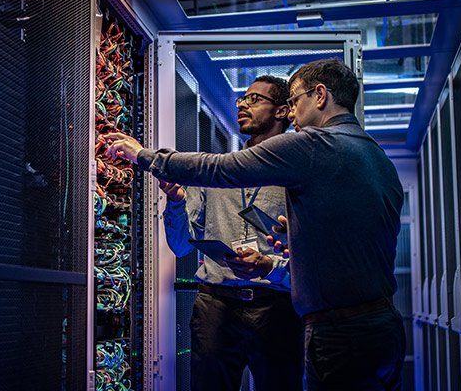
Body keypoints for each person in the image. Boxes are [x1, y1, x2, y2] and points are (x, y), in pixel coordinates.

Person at [105, 59, 405, 390]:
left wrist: (144, 156)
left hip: (329, 326)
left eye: (295, 101)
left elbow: (221, 170)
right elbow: (351, 239)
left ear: (320, 96)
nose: (293, 114)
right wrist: (294, 243)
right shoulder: (376, 156)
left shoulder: (315, 146)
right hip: (375, 324)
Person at [159, 76, 303, 391]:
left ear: (281, 112)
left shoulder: (295, 173)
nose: (242, 105)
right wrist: (175, 202)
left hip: (276, 306)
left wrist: (268, 263)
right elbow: (181, 246)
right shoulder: (216, 171)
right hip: (216, 305)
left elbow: (311, 252)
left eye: (254, 99)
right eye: (241, 99)